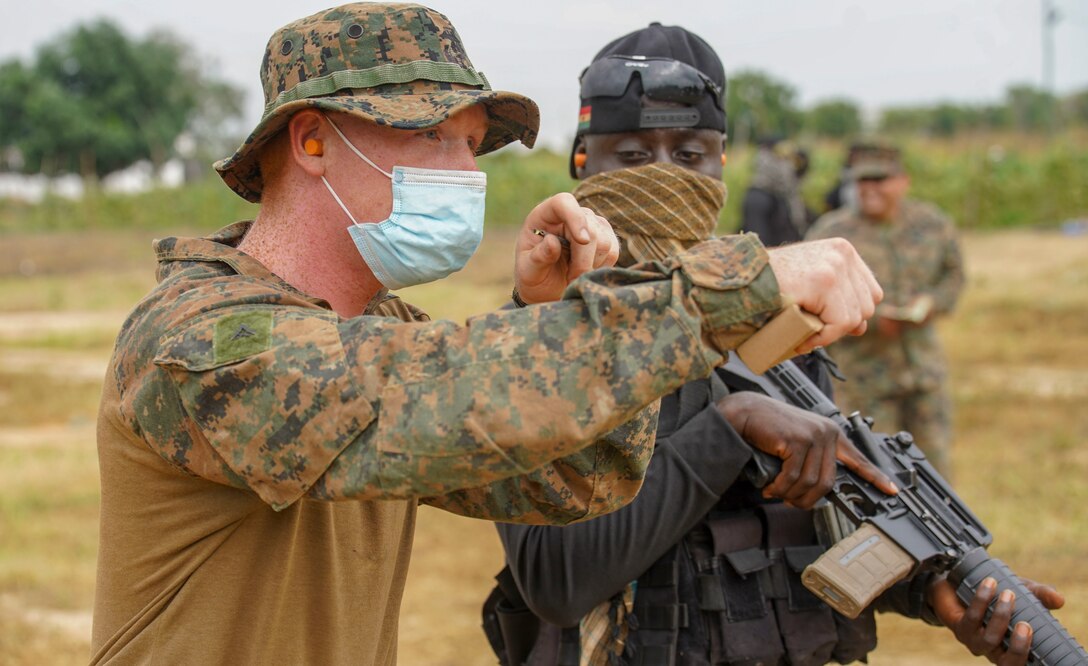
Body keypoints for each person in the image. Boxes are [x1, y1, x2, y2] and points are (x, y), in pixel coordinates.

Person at [89, 4, 886, 664]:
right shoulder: (197, 340)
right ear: (312, 141)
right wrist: (739, 286)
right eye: (432, 136)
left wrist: (540, 313)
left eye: (473, 146)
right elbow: (420, 394)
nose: (465, 173)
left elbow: (567, 486)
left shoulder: (376, 327)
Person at [487, 23, 1060, 666]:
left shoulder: (774, 313)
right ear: (582, 162)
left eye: (689, 154)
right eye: (634, 154)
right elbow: (556, 581)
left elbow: (801, 531)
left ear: (722, 163)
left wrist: (929, 588)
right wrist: (731, 426)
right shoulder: (542, 329)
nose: (665, 176)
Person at [807, 143, 965, 478]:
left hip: (923, 373)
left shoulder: (931, 224)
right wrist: (873, 320)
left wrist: (931, 304)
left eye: (880, 179)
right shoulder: (831, 234)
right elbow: (809, 300)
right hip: (864, 381)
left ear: (903, 181)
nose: (870, 188)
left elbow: (953, 274)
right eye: (862, 180)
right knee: (878, 473)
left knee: (935, 474)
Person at [740, 138, 816, 247]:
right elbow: (789, 184)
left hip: (761, 197)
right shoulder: (777, 162)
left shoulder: (762, 159)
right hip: (766, 199)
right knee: (759, 240)